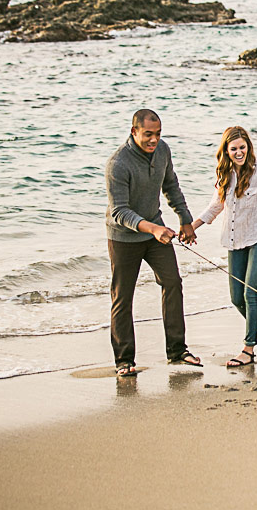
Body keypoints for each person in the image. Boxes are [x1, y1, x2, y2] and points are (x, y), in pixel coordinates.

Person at [105, 109, 202, 377]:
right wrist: (153, 228)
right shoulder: (118, 164)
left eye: (158, 134)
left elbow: (171, 185)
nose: (154, 140)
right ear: (134, 131)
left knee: (172, 283)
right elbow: (119, 211)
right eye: (148, 134)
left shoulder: (163, 151)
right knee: (122, 297)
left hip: (155, 231)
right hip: (124, 237)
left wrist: (185, 219)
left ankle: (177, 351)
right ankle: (124, 360)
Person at [191, 126, 257, 367]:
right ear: (226, 150)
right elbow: (215, 206)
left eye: (242, 147)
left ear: (248, 147)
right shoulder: (225, 174)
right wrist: (191, 227)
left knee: (249, 293)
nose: (239, 152)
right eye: (233, 149)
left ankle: (248, 349)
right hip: (235, 241)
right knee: (236, 298)